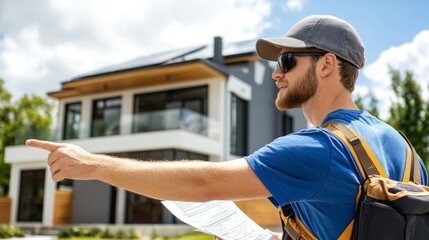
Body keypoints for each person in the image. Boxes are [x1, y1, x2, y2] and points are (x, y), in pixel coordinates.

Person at [26, 15, 427, 239]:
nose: (276, 74)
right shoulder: (404, 149)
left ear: (327, 65)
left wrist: (92, 165)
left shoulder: (318, 148)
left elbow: (204, 186)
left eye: (288, 61)